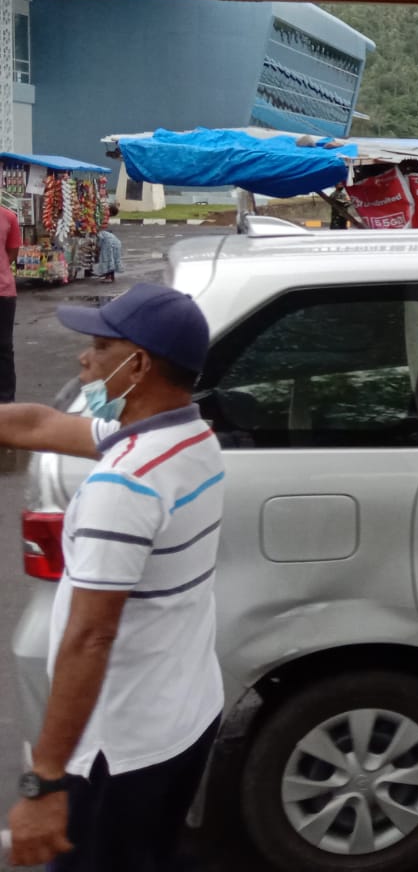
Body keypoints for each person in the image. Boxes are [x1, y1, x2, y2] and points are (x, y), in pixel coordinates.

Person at [4, 282, 224, 871]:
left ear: (138, 364)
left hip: (116, 749)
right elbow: (38, 426)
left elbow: (89, 637)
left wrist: (44, 785)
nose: (83, 358)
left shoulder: (125, 485)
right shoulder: (186, 437)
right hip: (181, 720)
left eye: (99, 346)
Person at [0, 196, 19, 403]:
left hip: (3, 292)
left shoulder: (8, 217)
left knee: (3, 348)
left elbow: (12, 252)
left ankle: (6, 401)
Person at [92, 206, 123, 281]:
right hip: (116, 244)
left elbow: (99, 244)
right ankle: (110, 276)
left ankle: (108, 277)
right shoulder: (105, 232)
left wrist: (96, 250)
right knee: (111, 260)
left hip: (109, 244)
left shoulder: (101, 234)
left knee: (107, 260)